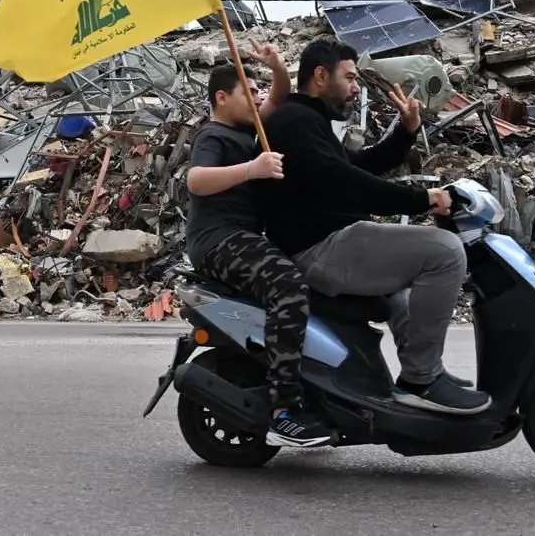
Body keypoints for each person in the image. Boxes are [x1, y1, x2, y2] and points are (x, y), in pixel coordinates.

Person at [259, 38, 492, 415]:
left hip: (329, 240)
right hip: (319, 247)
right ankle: (421, 378)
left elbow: (359, 167)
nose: (356, 88)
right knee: (445, 252)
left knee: (402, 289)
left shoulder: (307, 121)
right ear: (321, 76)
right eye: (349, 78)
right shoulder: (294, 121)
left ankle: (422, 374)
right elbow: (345, 182)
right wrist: (423, 199)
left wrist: (406, 129)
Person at [185, 41, 335, 447]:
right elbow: (196, 180)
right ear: (221, 97)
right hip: (219, 241)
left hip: (246, 238)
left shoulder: (249, 129)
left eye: (257, 91)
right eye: (248, 92)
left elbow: (280, 97)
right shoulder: (213, 135)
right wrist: (251, 169)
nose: (257, 98)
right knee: (288, 287)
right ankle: (283, 410)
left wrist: (277, 66)